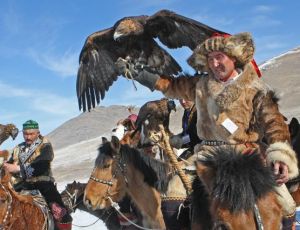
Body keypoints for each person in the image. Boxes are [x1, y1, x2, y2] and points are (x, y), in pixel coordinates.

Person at [116, 32, 298, 229]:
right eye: (210, 59)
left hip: (245, 154)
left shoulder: (256, 89)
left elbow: (275, 124)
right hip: (206, 155)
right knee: (171, 201)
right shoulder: (200, 84)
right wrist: (140, 74)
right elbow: (170, 85)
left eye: (219, 57)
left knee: (287, 207)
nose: (214, 64)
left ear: (233, 57)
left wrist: (280, 156)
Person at [3, 120, 72, 230]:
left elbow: (42, 164)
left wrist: (17, 169)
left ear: (38, 133)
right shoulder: (17, 149)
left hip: (44, 185)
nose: (28, 137)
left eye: (31, 134)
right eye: (25, 134)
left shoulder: (45, 145)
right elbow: (9, 165)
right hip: (21, 186)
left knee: (61, 213)